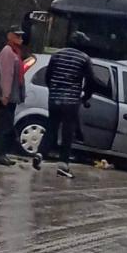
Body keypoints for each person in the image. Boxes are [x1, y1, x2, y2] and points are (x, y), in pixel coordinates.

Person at [32, 31, 95, 179]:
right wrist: (86, 96)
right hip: (71, 101)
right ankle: (63, 164)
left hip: (54, 98)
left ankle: (40, 153)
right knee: (68, 132)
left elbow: (48, 75)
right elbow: (91, 81)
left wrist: (53, 89)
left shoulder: (57, 55)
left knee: (51, 127)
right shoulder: (84, 59)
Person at [0, 25, 26, 166]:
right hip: (7, 95)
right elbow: (6, 74)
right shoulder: (7, 52)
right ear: (9, 36)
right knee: (4, 125)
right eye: (17, 35)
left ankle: (2, 153)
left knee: (7, 124)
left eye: (21, 36)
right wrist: (5, 95)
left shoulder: (15, 52)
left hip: (12, 95)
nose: (20, 38)